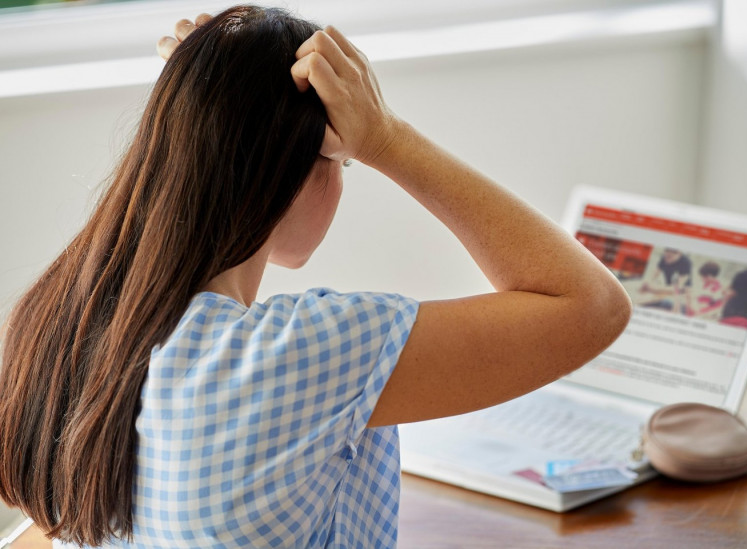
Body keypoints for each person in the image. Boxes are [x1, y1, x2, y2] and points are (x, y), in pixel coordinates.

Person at [0, 6, 631, 548]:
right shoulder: (292, 354)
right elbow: (591, 304)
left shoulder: (67, 326)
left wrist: (198, 103)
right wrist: (388, 138)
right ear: (293, 170)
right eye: (340, 161)